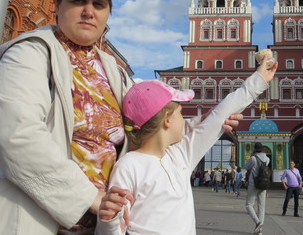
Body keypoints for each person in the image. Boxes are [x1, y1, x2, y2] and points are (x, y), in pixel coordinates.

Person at [0, 0, 244, 235]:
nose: (89, 11)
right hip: (30, 213)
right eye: (78, 1)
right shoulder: (29, 53)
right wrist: (89, 198)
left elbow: (148, 120)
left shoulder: (111, 68)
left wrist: (198, 124)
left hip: (99, 222)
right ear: (58, 6)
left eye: (99, 4)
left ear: (107, 15)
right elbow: (18, 133)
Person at [96, 56, 278, 235]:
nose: (185, 120)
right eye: (180, 113)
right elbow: (115, 224)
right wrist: (108, 221)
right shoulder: (128, 165)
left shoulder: (180, 154)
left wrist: (259, 79)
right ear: (167, 120)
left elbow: (220, 115)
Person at [245, 142, 270, 234]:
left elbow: (246, 167)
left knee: (249, 205)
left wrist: (251, 156)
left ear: (255, 149)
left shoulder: (253, 158)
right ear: (262, 149)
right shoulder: (267, 159)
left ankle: (258, 222)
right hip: (264, 184)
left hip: (254, 184)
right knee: (261, 207)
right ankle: (260, 231)